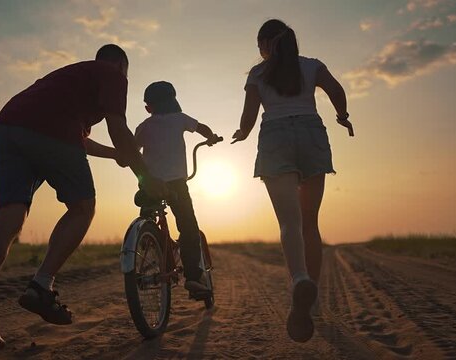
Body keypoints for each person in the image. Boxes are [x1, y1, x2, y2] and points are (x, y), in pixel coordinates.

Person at [0, 44, 166, 350]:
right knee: (83, 208)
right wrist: (145, 176)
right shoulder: (113, 74)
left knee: (10, 219)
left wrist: (118, 155)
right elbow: (117, 128)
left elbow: (79, 141)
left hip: (9, 126)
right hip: (48, 130)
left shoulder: (72, 79)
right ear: (122, 66)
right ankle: (42, 286)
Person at [231, 19, 353, 342]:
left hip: (275, 137)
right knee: (310, 222)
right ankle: (311, 303)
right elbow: (337, 92)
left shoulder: (258, 74)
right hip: (311, 133)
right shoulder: (312, 65)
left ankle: (299, 279)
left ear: (266, 45)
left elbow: (249, 116)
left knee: (289, 222)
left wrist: (242, 134)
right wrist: (343, 117)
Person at [134, 81, 221, 295]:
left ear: (148, 108)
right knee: (188, 227)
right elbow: (202, 128)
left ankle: (148, 241)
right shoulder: (180, 118)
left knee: (148, 213)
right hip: (176, 184)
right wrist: (210, 138)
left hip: (149, 185)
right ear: (174, 101)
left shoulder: (144, 126)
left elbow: (133, 150)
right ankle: (193, 277)